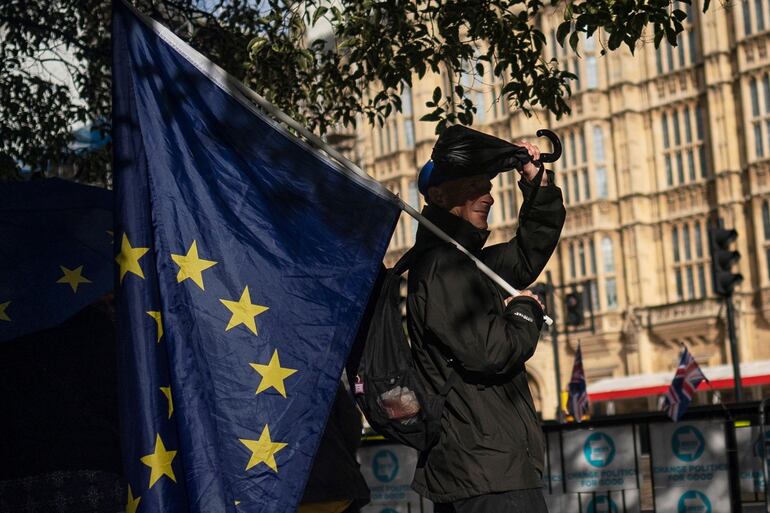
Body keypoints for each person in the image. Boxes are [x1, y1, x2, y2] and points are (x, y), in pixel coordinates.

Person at [405, 125, 566, 512]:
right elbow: (492, 350)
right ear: (440, 196)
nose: (490, 196)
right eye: (476, 186)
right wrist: (526, 310)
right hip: (483, 476)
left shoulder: (465, 263)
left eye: (489, 185)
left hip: (490, 472)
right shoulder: (443, 265)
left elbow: (527, 253)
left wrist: (537, 186)